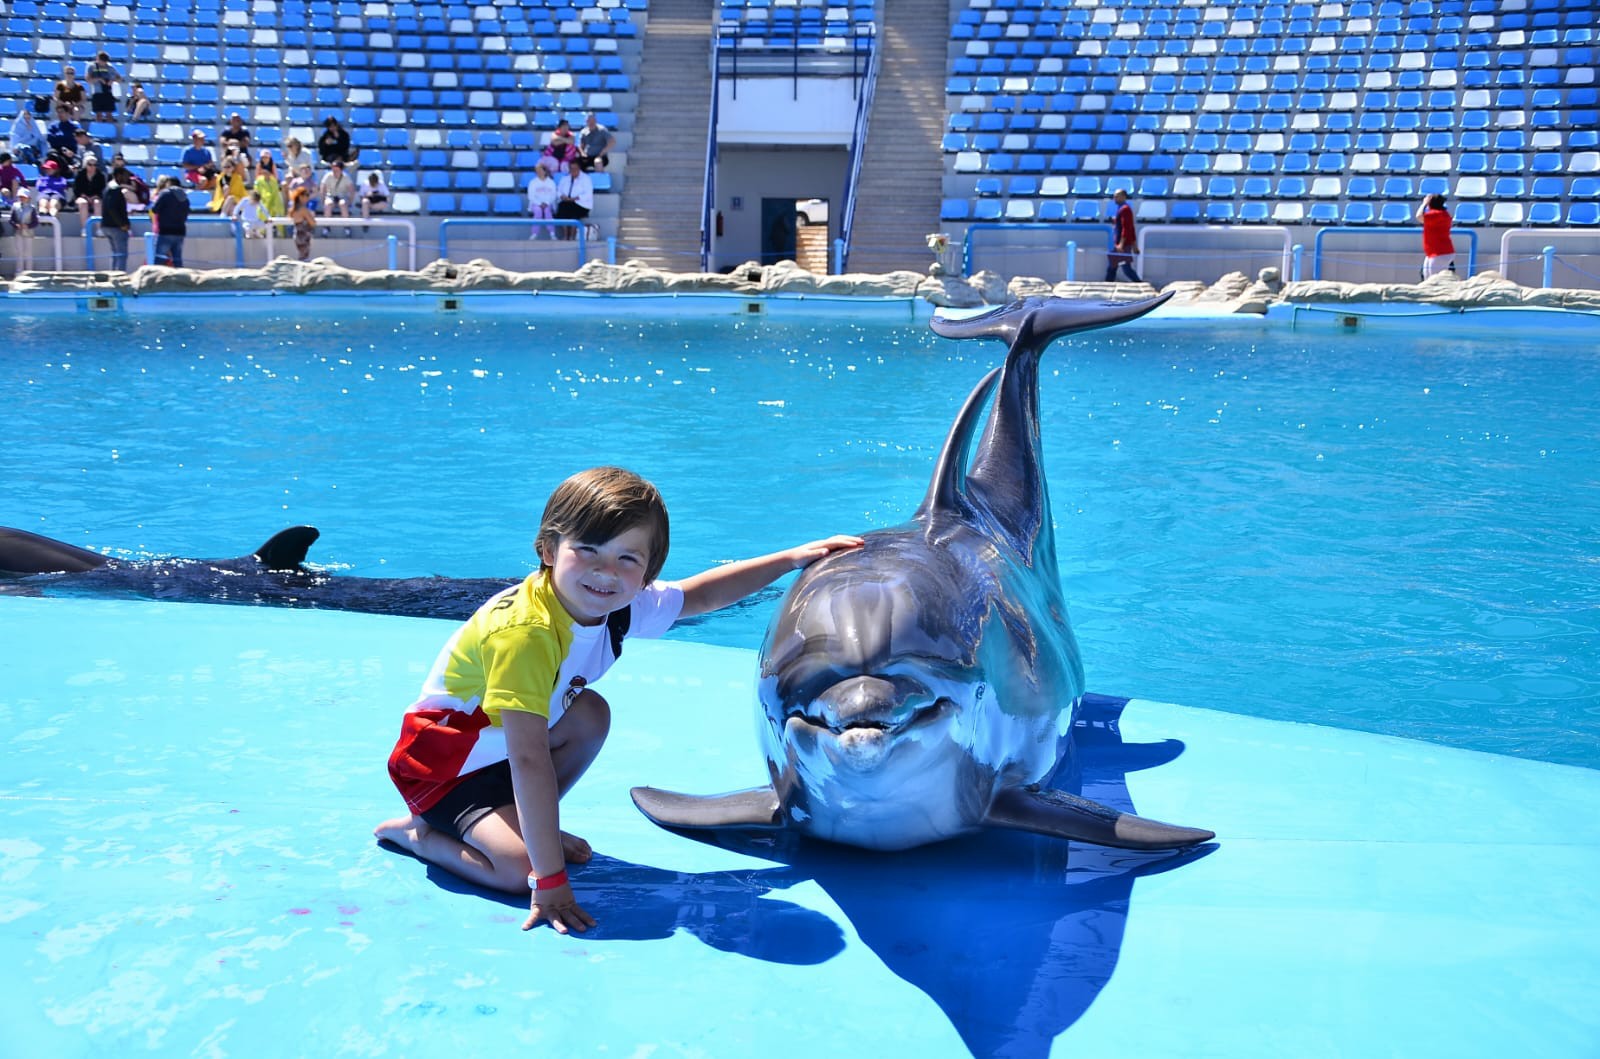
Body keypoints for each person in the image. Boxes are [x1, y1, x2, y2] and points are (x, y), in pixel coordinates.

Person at [373, 465, 863, 934]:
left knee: (590, 714)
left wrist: (790, 559)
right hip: (443, 768)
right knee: (517, 873)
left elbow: (700, 597)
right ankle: (421, 836)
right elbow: (528, 759)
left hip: (497, 751)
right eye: (588, 549)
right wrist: (549, 881)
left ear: (648, 572)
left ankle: (518, 825)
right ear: (548, 548)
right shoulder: (526, 636)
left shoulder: (618, 607)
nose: (605, 572)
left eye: (627, 559)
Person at [150, 175, 190, 267]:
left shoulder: (165, 194)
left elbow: (155, 209)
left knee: (159, 259)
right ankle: (180, 276)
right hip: (180, 231)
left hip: (165, 231)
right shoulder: (184, 196)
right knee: (177, 259)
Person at [1105, 188, 1141, 283]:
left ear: (1124, 197)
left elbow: (1127, 228)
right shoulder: (1121, 209)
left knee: (1126, 268)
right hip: (1118, 244)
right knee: (1112, 267)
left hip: (1122, 245)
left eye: (1117, 196)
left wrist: (1121, 244)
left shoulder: (1125, 209)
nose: (1115, 198)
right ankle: (1108, 284)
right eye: (1114, 196)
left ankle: (1139, 283)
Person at [553, 158, 592, 240]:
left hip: (581, 204)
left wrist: (575, 198)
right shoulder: (565, 178)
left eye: (575, 168)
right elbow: (558, 191)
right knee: (562, 208)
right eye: (571, 168)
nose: (573, 170)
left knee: (573, 212)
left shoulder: (586, 179)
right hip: (566, 202)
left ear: (579, 168)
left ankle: (572, 236)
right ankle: (565, 235)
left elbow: (587, 194)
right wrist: (562, 196)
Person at [1418, 193, 1455, 278]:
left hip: (1439, 253)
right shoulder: (1443, 213)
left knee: (1435, 279)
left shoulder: (1436, 214)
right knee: (1428, 278)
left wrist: (1424, 204)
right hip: (1434, 252)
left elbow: (1419, 216)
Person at [100, 177, 131, 271]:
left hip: (106, 225)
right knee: (121, 254)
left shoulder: (106, 190)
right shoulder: (115, 190)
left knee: (115, 253)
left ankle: (114, 273)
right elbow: (112, 209)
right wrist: (122, 224)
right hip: (116, 227)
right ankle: (120, 275)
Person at [526, 159, 557, 238]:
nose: (538, 172)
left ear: (545, 171)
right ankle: (534, 233)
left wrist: (546, 203)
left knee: (547, 211)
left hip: (548, 203)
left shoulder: (551, 182)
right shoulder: (533, 182)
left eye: (540, 170)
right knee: (538, 211)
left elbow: (553, 195)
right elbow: (531, 196)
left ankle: (552, 233)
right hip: (536, 204)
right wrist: (539, 204)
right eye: (537, 171)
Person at [10, 187, 39, 270]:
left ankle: (29, 270)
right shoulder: (15, 206)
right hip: (18, 232)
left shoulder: (32, 208)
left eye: (24, 197)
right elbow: (11, 220)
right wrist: (16, 225)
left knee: (28, 252)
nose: (22, 198)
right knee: (19, 252)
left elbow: (35, 222)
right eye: (20, 197)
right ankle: (19, 270)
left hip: (28, 233)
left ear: (28, 198)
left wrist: (28, 226)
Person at [86, 52, 121, 123]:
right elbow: (88, 79)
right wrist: (98, 79)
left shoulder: (110, 67)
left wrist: (112, 80)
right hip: (97, 93)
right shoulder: (92, 67)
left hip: (108, 92)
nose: (103, 63)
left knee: (109, 114)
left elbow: (119, 79)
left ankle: (109, 128)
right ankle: (99, 128)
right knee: (98, 115)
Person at [287, 185, 315, 260]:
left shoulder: (294, 209)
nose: (308, 197)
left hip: (297, 235)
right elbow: (313, 223)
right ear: (300, 197)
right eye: (306, 195)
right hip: (303, 236)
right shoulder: (303, 210)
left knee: (302, 256)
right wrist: (311, 215)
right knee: (304, 257)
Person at [254, 152, 285, 216]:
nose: (265, 159)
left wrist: (268, 175)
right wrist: (264, 176)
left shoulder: (272, 165)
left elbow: (275, 177)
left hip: (271, 182)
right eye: (263, 157)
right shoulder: (259, 165)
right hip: (261, 183)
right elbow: (257, 176)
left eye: (266, 157)